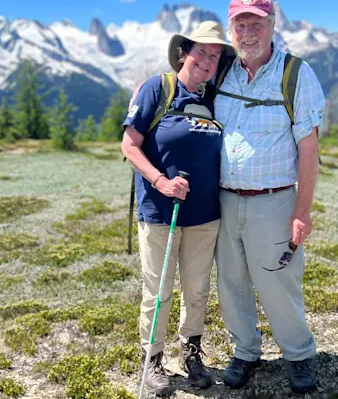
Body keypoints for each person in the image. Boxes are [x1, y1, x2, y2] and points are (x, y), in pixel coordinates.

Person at [212, 0, 324, 394]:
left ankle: (298, 354)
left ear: (273, 26)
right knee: (231, 280)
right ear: (231, 30)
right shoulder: (222, 70)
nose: (248, 32)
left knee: (278, 281)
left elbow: (309, 148)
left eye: (256, 23)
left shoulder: (296, 74)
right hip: (224, 199)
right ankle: (245, 350)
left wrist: (302, 211)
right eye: (240, 25)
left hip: (273, 199)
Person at [121, 20, 235, 395]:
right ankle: (152, 359)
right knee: (158, 291)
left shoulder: (213, 100)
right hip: (160, 211)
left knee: (197, 288)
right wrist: (161, 181)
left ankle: (191, 353)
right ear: (184, 52)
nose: (207, 60)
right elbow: (129, 145)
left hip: (205, 214)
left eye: (215, 56)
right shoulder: (158, 89)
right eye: (202, 51)